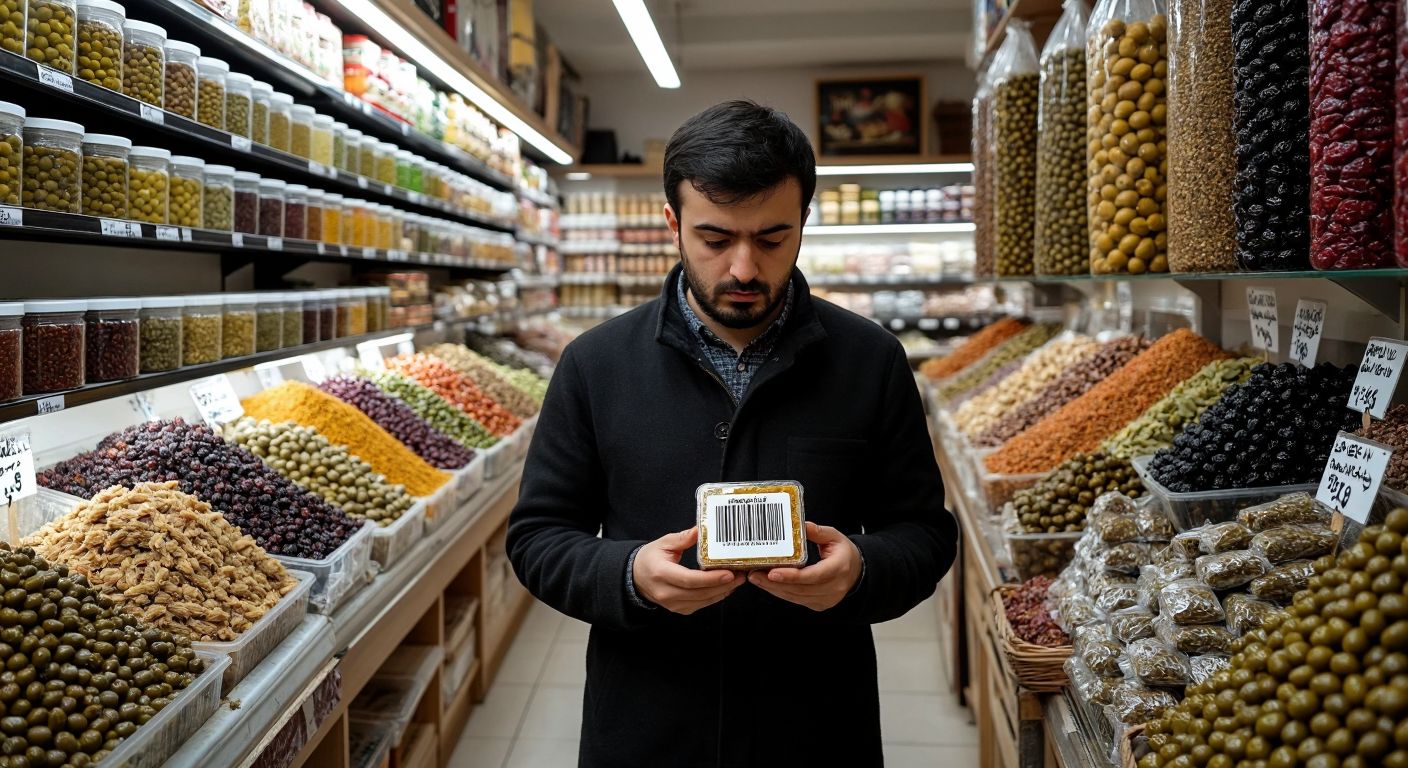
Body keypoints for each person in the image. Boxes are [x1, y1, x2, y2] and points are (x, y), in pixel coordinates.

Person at [507, 99, 958, 767]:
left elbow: (924, 533)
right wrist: (627, 573)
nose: (744, 269)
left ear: (805, 223)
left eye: (772, 239)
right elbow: (538, 538)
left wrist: (861, 570)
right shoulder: (595, 364)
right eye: (716, 240)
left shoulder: (871, 360)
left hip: (816, 726)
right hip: (645, 723)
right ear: (673, 223)